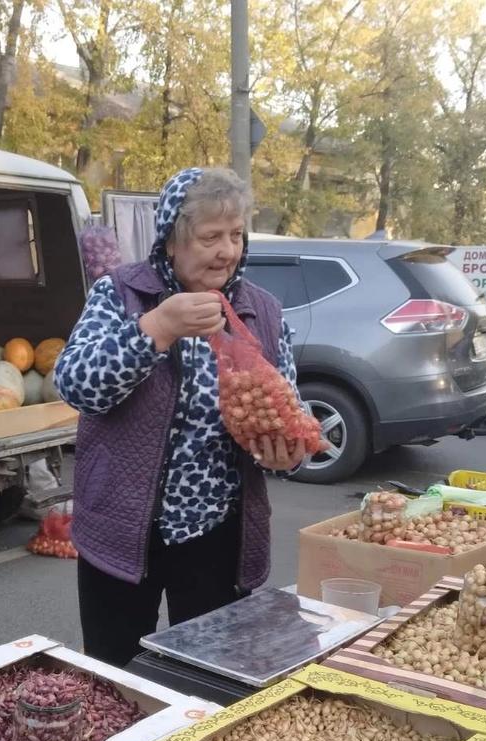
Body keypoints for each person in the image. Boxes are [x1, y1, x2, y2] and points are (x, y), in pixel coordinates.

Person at [54, 167, 306, 667]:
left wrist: (287, 453)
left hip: (217, 534)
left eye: (235, 236)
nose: (227, 251)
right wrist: (157, 327)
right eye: (210, 237)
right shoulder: (121, 294)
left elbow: (287, 413)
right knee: (116, 671)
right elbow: (76, 384)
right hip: (123, 528)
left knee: (212, 672)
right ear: (171, 241)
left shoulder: (264, 311)